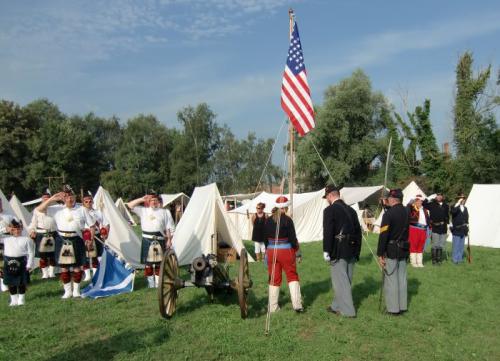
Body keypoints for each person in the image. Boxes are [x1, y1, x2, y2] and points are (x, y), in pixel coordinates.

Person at [36, 185, 95, 298]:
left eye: (71, 196)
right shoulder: (56, 209)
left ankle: (76, 291)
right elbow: (39, 209)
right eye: (66, 196)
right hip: (62, 239)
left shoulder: (82, 209)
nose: (69, 199)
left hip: (77, 239)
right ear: (63, 198)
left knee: (77, 266)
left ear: (75, 196)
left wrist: (90, 239)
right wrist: (52, 198)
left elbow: (91, 226)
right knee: (64, 267)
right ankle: (67, 291)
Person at [322, 185, 362, 317]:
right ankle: (336, 306)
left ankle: (348, 311)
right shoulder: (351, 210)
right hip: (352, 246)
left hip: (338, 248)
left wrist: (326, 250)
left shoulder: (329, 210)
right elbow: (358, 232)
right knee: (346, 279)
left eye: (326, 197)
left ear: (329, 196)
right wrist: (357, 251)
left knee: (341, 281)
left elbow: (328, 232)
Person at [127, 191, 175, 288]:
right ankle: (150, 284)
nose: (153, 202)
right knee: (148, 264)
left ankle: (158, 283)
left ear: (158, 201)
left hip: (160, 238)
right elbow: (129, 205)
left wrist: (169, 240)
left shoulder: (165, 212)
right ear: (149, 202)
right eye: (151, 200)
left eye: (155, 200)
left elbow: (169, 228)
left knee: (159, 264)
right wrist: (142, 199)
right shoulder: (143, 210)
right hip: (147, 239)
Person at [264, 196, 303, 313]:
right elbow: (292, 239)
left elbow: (265, 239)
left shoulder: (268, 220)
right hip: (286, 251)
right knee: (292, 276)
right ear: (285, 207)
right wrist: (298, 251)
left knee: (274, 279)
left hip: (271, 252)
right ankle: (297, 305)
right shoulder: (288, 220)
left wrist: (268, 251)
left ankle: (273, 307)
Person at [377, 188, 409, 315]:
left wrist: (380, 253)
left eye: (389, 198)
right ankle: (402, 306)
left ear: (392, 199)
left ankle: (393, 309)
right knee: (402, 278)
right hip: (404, 248)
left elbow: (383, 235)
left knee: (391, 279)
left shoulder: (389, 214)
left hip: (392, 249)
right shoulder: (407, 212)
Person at [2, 219, 35, 306]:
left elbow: (31, 253)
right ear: (11, 230)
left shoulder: (27, 239)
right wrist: (6, 229)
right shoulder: (6, 239)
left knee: (21, 282)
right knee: (11, 283)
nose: (16, 231)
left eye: (18, 229)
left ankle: (21, 299)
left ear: (21, 229)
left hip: (22, 262)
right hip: (8, 262)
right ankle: (14, 300)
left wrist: (29, 264)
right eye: (14, 229)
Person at [28, 189, 57, 279]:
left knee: (53, 254)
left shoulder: (55, 208)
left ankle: (51, 272)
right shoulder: (37, 210)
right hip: (41, 233)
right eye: (44, 198)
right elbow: (33, 222)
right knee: (42, 255)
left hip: (53, 232)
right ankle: (45, 273)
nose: (46, 200)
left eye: (48, 198)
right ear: (42, 199)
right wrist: (32, 230)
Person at [81, 191, 109, 282]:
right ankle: (87, 275)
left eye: (90, 201)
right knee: (85, 256)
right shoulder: (79, 212)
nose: (88, 203)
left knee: (96, 255)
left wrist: (105, 231)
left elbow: (106, 223)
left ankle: (96, 273)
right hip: (83, 236)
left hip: (96, 235)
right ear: (83, 202)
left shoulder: (97, 212)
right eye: (86, 201)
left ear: (93, 202)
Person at [423, 192, 449, 265]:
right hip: (435, 227)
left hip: (443, 227)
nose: (439, 197)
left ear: (442, 197)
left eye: (440, 195)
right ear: (435, 197)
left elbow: (447, 215)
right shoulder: (432, 204)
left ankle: (439, 260)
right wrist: (429, 197)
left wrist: (448, 223)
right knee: (435, 244)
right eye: (437, 196)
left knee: (441, 245)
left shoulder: (446, 205)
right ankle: (434, 260)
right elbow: (423, 204)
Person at [407, 194, 430, 267]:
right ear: (415, 201)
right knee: (414, 244)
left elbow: (428, 220)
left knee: (421, 245)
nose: (419, 202)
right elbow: (407, 208)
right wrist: (411, 202)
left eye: (420, 201)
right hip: (414, 229)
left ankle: (419, 262)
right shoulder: (412, 208)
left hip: (423, 229)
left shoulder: (425, 210)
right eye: (417, 201)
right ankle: (413, 262)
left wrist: (429, 227)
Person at [1, 198, 17, 292]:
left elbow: (18, 225)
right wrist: (4, 230)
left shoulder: (8, 214)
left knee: (10, 262)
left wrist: (14, 228)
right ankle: (3, 284)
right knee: (1, 264)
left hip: (9, 242)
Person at [450, 193, 469, 264]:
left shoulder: (465, 208)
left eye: (463, 198)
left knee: (461, 246)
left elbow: (467, 219)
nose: (463, 200)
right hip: (456, 229)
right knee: (456, 245)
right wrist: (458, 203)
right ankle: (455, 260)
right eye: (461, 198)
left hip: (463, 229)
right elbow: (453, 212)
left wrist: (467, 229)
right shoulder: (454, 206)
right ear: (458, 199)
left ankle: (459, 259)